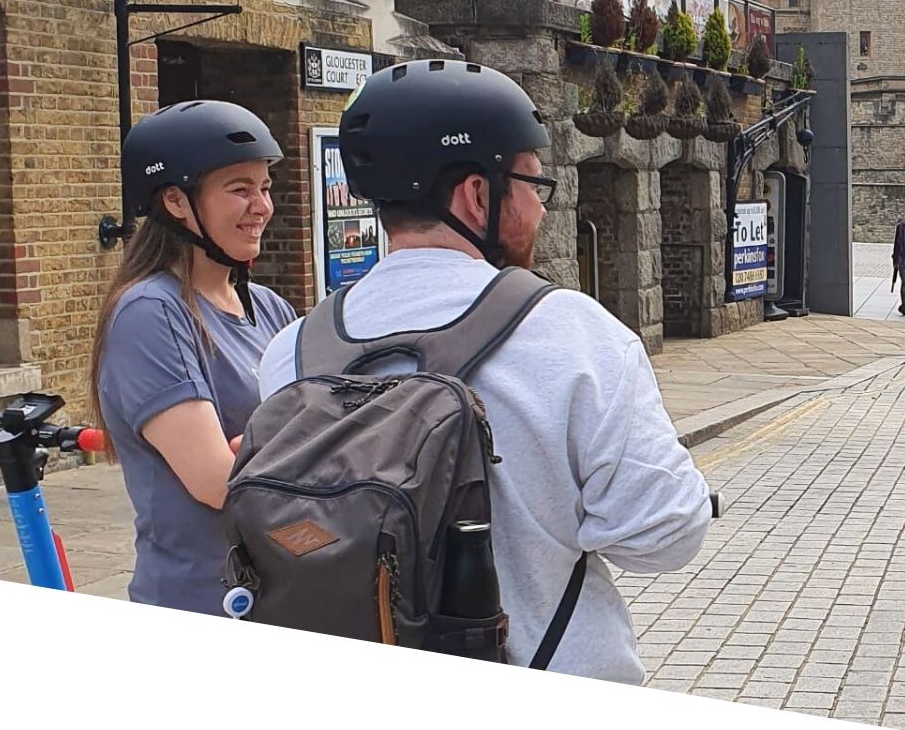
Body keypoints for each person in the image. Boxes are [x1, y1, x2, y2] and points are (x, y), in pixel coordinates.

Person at [254, 60, 711, 682]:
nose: (540, 209)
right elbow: (663, 536)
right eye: (531, 184)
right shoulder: (577, 333)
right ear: (475, 193)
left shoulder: (293, 351)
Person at [91, 100, 294, 615]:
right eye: (239, 189)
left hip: (286, 593)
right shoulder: (150, 314)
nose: (262, 206)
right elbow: (216, 482)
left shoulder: (268, 306)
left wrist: (265, 449)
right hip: (203, 600)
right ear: (177, 202)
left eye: (265, 187)